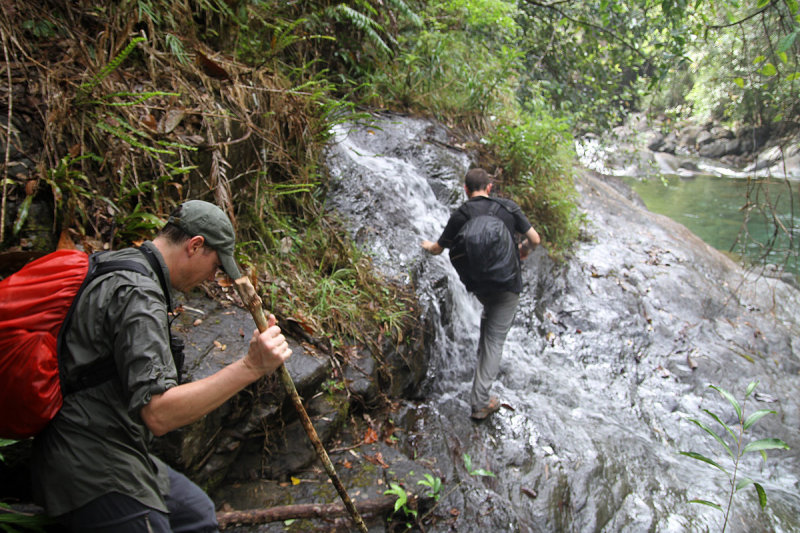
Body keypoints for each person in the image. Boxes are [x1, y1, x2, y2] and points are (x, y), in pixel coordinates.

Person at [30, 200, 292, 532]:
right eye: (215, 265)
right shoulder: (139, 295)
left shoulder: (121, 262)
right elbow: (159, 414)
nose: (213, 277)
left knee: (196, 514)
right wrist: (252, 366)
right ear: (195, 246)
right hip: (90, 461)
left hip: (111, 443)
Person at [421, 168, 540, 420]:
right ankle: (481, 402)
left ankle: (481, 389)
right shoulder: (507, 207)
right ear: (489, 188)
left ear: (466, 190)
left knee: (489, 323)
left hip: (479, 286)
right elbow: (535, 239)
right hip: (508, 284)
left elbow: (437, 249)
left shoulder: (461, 215)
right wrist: (524, 249)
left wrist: (426, 245)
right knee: (494, 341)